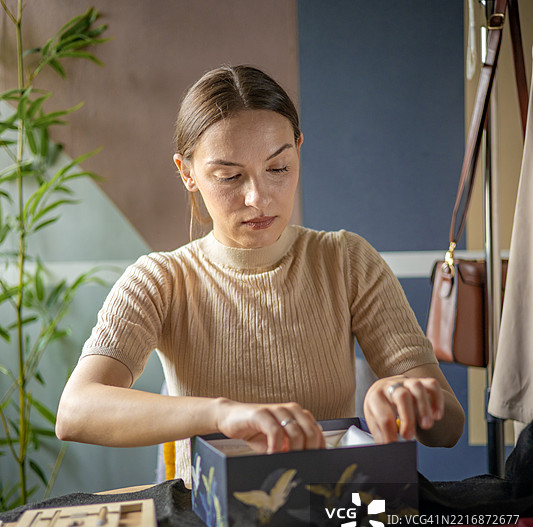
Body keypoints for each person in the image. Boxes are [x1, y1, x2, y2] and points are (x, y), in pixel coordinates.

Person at [56, 65, 464, 485]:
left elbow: (449, 429)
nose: (258, 198)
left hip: (329, 510)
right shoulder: (160, 279)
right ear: (187, 172)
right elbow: (76, 411)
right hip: (211, 522)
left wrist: (403, 397)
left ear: (298, 150)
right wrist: (221, 413)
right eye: (229, 176)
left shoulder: (346, 261)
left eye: (278, 168)